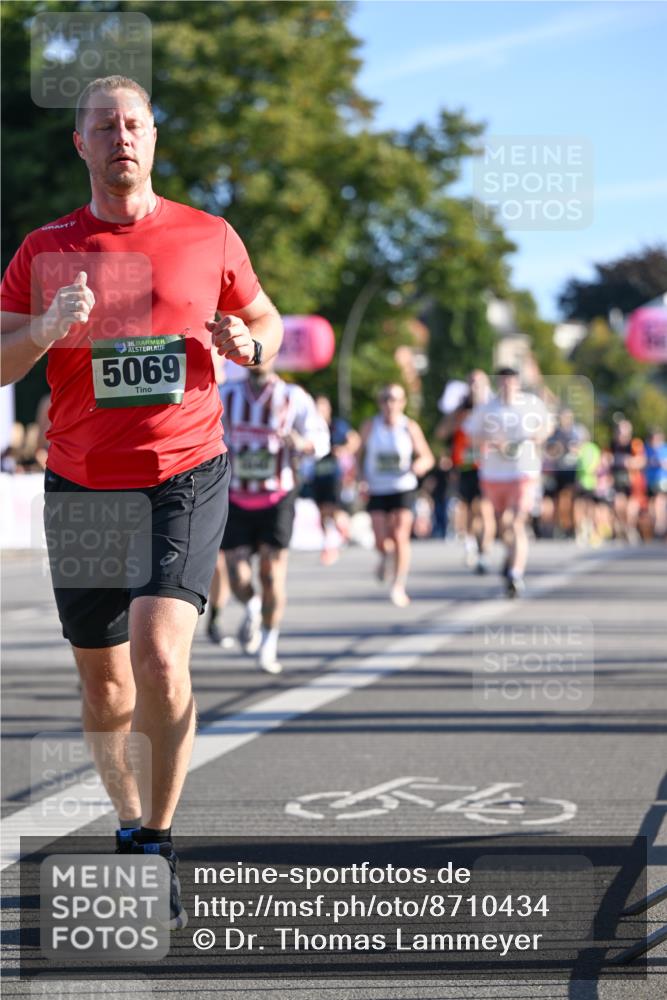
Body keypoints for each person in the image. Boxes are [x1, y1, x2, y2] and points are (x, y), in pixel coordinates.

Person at [0, 76, 283, 928]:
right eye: (102, 126)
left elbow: (266, 322)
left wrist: (251, 346)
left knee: (160, 657)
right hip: (83, 480)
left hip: (183, 473)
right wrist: (45, 329)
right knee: (106, 687)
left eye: (133, 124)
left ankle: (157, 837)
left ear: (153, 138)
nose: (120, 137)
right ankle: (127, 819)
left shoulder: (209, 235)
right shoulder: (46, 248)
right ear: (79, 144)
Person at [219, 359, 329, 674]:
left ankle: (269, 642)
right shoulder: (227, 394)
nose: (258, 359)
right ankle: (253, 606)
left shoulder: (293, 396)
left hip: (277, 495)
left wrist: (302, 443)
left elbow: (320, 439)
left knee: (271, 573)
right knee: (238, 576)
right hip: (236, 495)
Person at [465, 368, 551, 597]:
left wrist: (539, 435)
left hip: (523, 472)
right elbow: (471, 434)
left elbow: (547, 425)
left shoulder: (531, 404)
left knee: (516, 522)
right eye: (503, 381)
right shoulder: (487, 408)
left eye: (511, 381)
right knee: (504, 524)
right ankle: (509, 557)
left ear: (518, 383)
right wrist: (491, 440)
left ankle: (515, 574)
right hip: (494, 475)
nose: (507, 385)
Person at [359, 383, 434, 607]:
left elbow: (427, 457)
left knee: (401, 535)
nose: (390, 404)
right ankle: (385, 556)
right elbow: (357, 455)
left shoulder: (409, 427)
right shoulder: (370, 426)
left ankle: (398, 585)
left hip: (403, 486)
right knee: (381, 539)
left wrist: (419, 465)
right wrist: (360, 477)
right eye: (385, 399)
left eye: (394, 399)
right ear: (380, 402)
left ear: (402, 403)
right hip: (377, 487)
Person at [301, 395, 359, 565]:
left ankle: (339, 537)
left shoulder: (337, 426)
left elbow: (355, 440)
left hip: (335, 476)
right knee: (322, 512)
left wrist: (343, 450)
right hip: (317, 476)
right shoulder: (309, 428)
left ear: (329, 410)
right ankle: (329, 544)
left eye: (322, 408)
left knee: (333, 509)